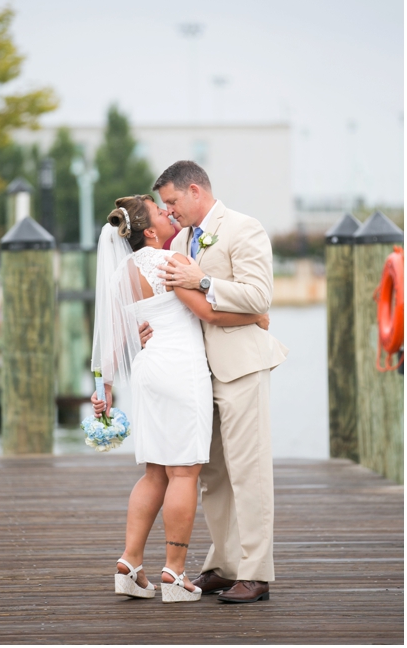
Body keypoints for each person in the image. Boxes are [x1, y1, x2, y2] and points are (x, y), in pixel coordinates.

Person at [89, 194, 271, 603]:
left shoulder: (122, 270)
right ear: (149, 231)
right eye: (160, 211)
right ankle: (174, 572)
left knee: (154, 472)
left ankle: (130, 563)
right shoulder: (170, 262)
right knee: (184, 474)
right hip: (181, 371)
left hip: (148, 372)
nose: (169, 214)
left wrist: (104, 388)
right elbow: (205, 310)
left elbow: (115, 338)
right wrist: (255, 317)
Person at [148, 161, 288, 603]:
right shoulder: (184, 238)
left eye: (172, 202)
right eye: (165, 207)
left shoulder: (244, 228)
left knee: (249, 472)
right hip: (197, 372)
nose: (169, 213)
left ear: (194, 190)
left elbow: (259, 295)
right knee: (212, 475)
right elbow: (184, 303)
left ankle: (256, 572)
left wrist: (203, 279)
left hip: (242, 366)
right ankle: (225, 565)